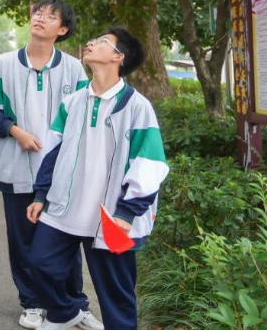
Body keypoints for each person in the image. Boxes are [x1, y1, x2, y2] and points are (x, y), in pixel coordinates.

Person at [28, 28, 167, 331]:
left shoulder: (137, 106)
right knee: (40, 263)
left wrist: (128, 211)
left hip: (113, 217)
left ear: (119, 57)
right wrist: (41, 194)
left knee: (116, 294)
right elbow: (52, 151)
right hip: (66, 206)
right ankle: (65, 313)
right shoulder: (73, 101)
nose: (91, 43)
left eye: (103, 42)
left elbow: (151, 163)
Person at [0, 0, 99, 331]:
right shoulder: (3, 64)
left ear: (62, 30)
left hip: (62, 172)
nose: (41, 19)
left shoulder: (74, 68)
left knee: (65, 239)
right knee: (22, 240)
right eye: (38, 13)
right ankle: (31, 302)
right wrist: (16, 131)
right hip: (15, 166)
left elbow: (81, 118)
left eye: (51, 17)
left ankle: (74, 305)